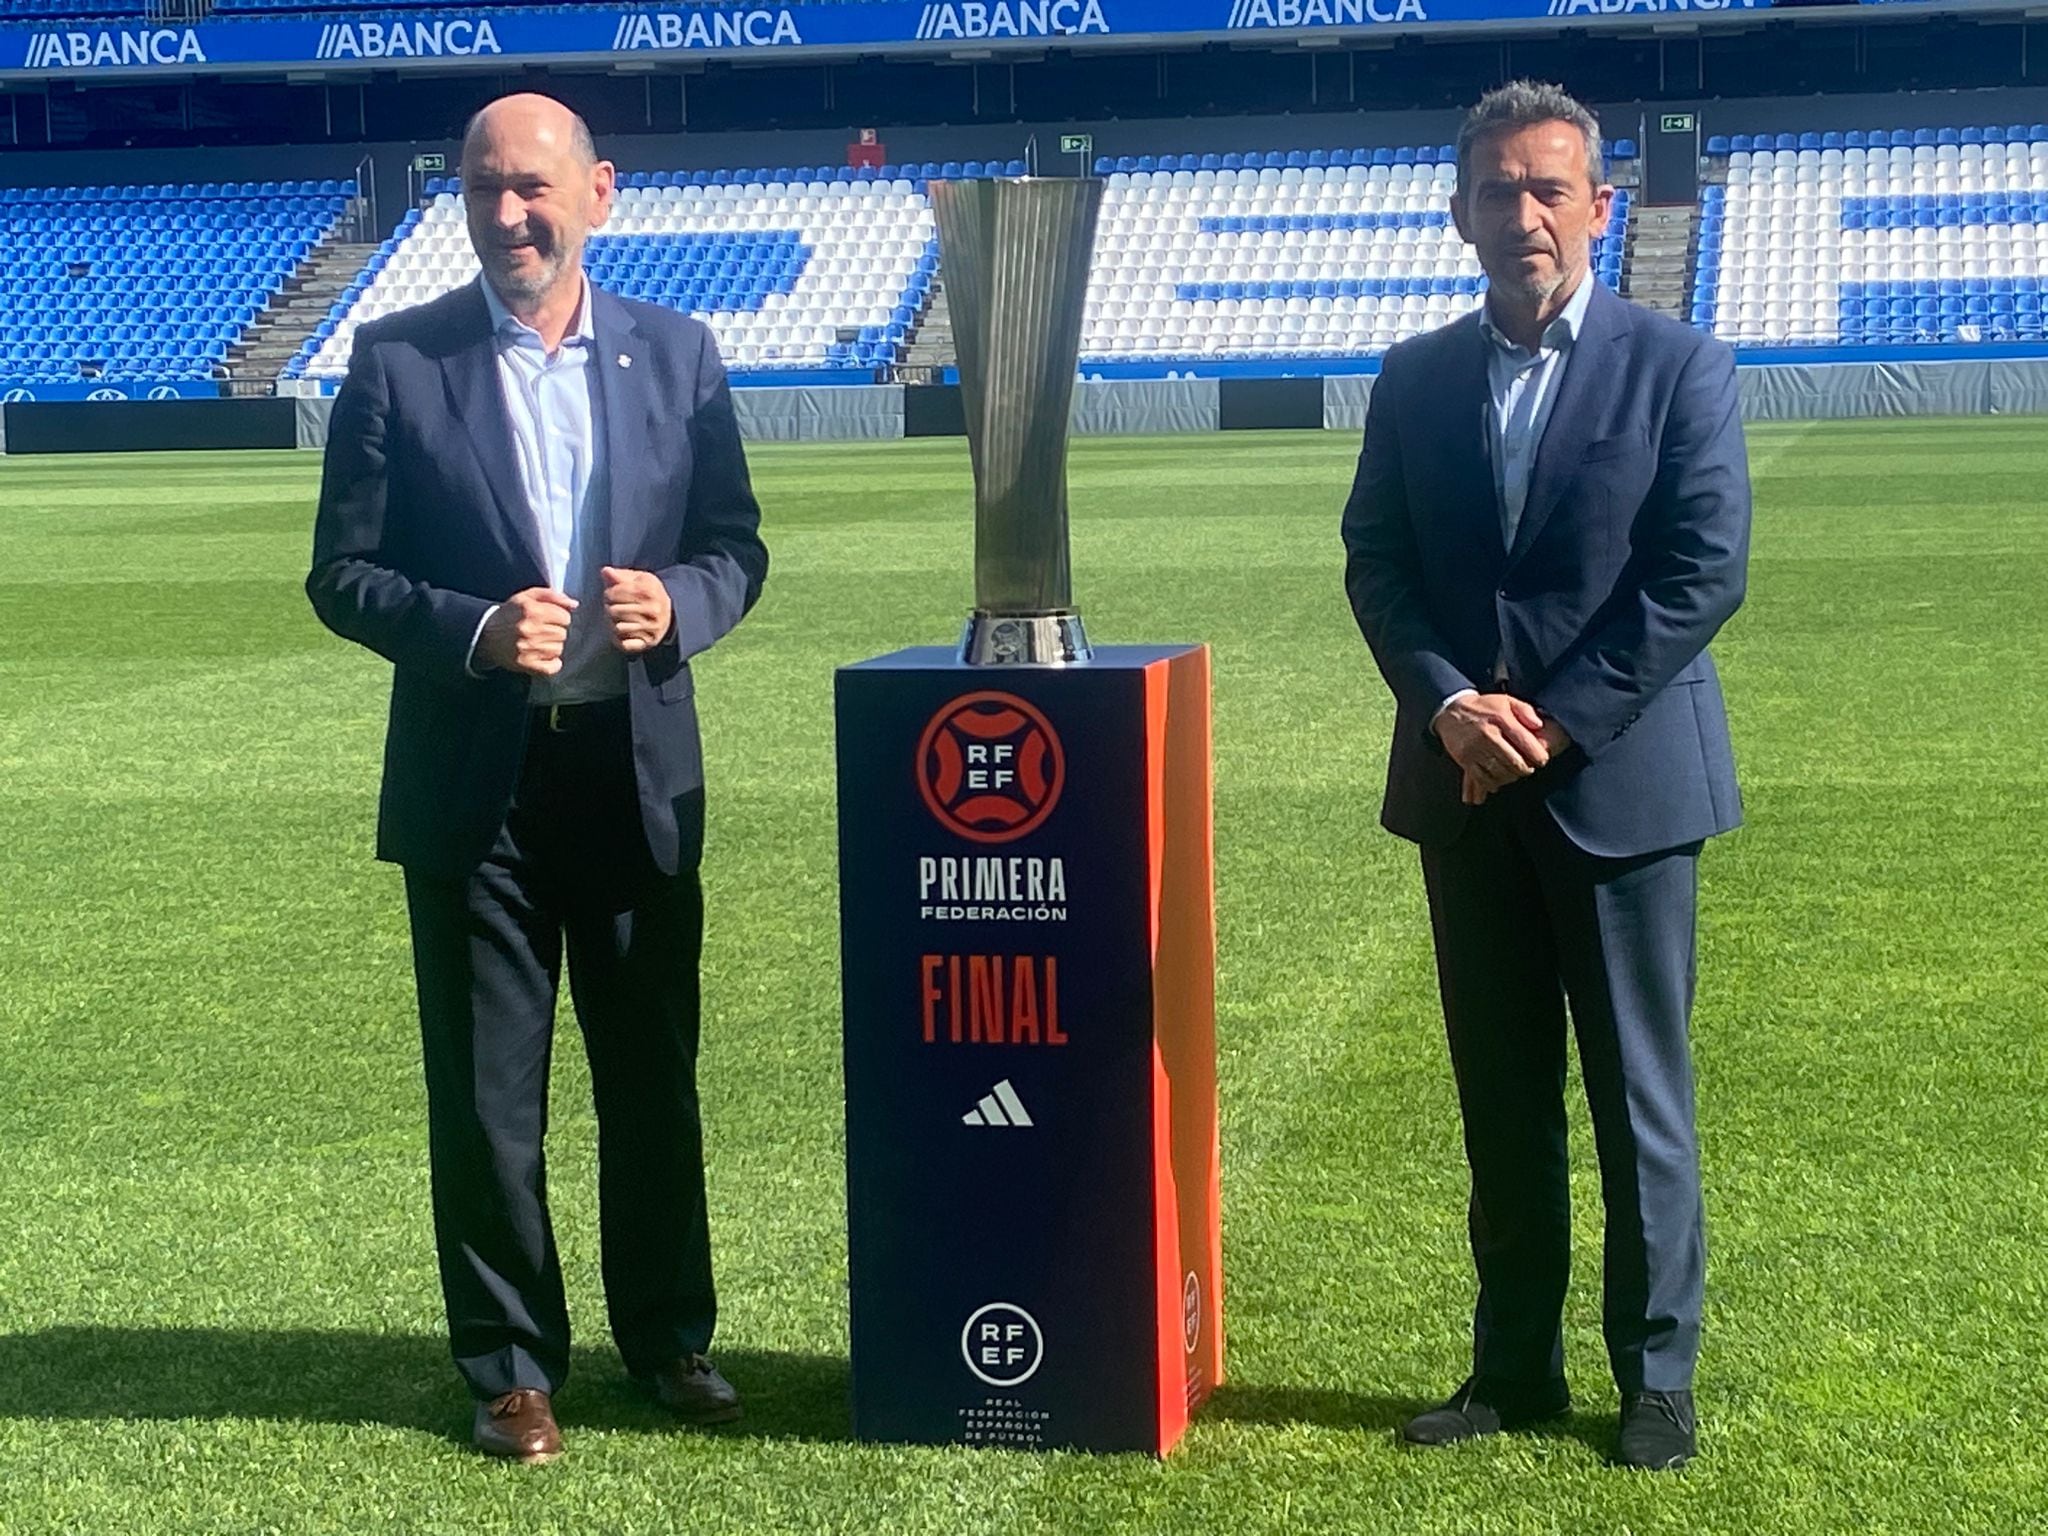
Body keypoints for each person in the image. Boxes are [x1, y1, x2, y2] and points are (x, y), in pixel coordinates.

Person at [308, 92, 769, 1464]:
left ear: (598, 194)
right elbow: (343, 573)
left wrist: (679, 604)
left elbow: (738, 545)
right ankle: (511, 1366)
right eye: (485, 189)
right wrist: (469, 630)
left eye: (534, 187)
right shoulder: (397, 362)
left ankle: (670, 1337)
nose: (511, 213)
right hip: (476, 792)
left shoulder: (677, 356)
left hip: (631, 781)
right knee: (487, 1095)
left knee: (651, 1080)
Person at [1340, 80, 1750, 1472]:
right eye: (1497, 191)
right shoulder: (1413, 377)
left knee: (1640, 1097)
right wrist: (1452, 705)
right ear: (1459, 214)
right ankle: (1512, 1366)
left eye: (1548, 189)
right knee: (1500, 1098)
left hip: (1623, 784)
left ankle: (1656, 1380)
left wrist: (1553, 721)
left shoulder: (1678, 364)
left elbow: (1702, 573)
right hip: (1463, 791)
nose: (1523, 214)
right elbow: (1380, 567)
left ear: (1598, 205)